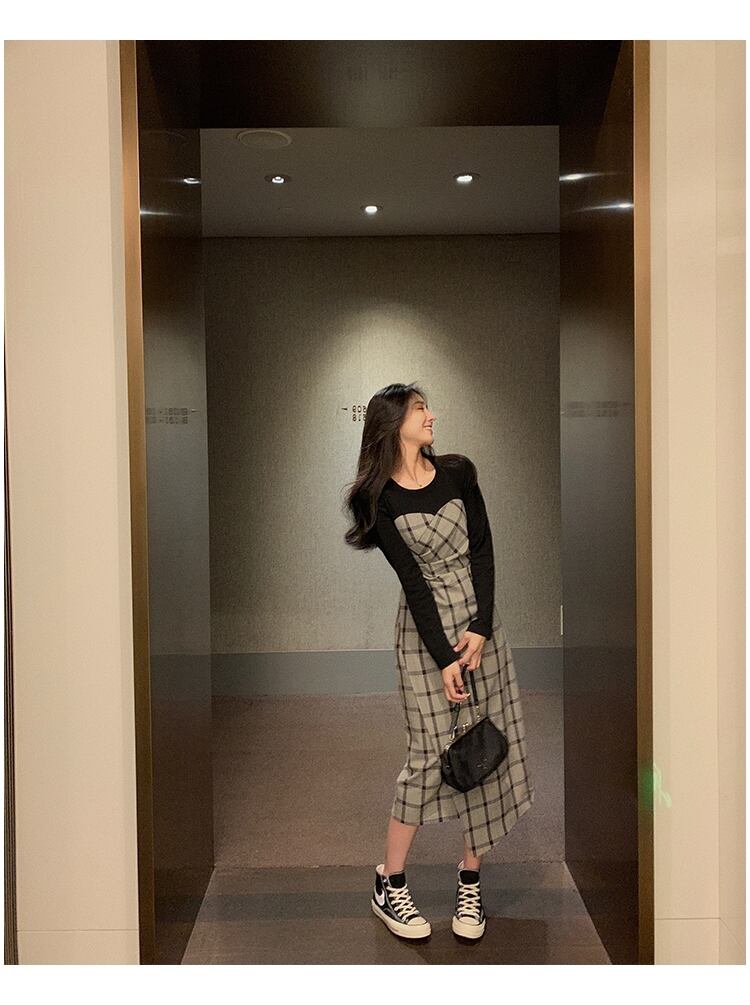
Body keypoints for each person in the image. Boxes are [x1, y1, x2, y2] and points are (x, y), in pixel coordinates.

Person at [344, 382, 535, 941]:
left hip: (481, 632)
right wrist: (444, 656)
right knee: (428, 756)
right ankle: (390, 882)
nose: (432, 416)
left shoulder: (458, 472)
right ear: (393, 422)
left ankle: (470, 880)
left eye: (427, 407)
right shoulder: (378, 498)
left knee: (486, 748)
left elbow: (484, 550)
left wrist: (480, 627)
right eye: (421, 409)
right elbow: (413, 582)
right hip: (424, 636)